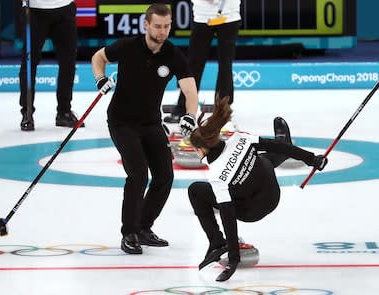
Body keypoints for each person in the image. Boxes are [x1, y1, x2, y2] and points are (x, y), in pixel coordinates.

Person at [91, 3, 199, 255]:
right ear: (146, 25)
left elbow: (190, 89)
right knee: (138, 174)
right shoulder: (128, 47)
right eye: (158, 26)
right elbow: (99, 57)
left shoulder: (172, 54)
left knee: (164, 177)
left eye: (167, 26)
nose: (163, 31)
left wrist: (190, 116)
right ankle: (128, 232)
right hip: (121, 121)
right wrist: (100, 78)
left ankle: (143, 228)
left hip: (151, 123)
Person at [187, 96, 328, 281]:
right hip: (272, 194)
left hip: (251, 212)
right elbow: (276, 146)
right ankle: (287, 143)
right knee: (261, 160)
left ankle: (216, 242)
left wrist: (233, 258)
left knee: (195, 190)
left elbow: (227, 215)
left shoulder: (216, 176)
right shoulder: (240, 140)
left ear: (202, 149)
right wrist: (312, 159)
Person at [164, 0, 241, 123]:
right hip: (202, 16)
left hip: (229, 15)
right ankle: (183, 107)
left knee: (225, 65)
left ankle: (223, 111)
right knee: (194, 65)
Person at [19, 0, 82, 131]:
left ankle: (64, 112)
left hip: (64, 7)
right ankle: (27, 112)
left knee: (68, 62)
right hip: (35, 9)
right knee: (30, 62)